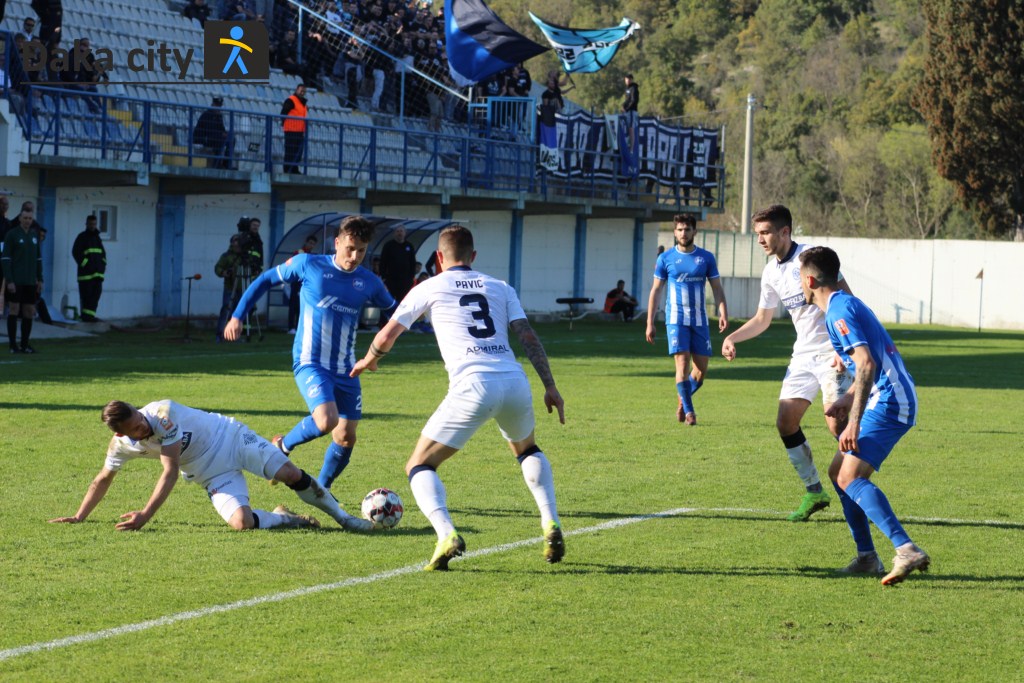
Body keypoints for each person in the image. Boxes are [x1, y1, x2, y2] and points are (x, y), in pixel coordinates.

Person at [351, 225, 566, 571]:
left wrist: (370, 359)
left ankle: (446, 534)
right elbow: (527, 335)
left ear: (438, 257)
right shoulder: (500, 286)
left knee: (419, 465)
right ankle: (550, 522)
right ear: (473, 257)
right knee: (527, 450)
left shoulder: (429, 286)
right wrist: (550, 386)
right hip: (514, 380)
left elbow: (389, 333)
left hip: (472, 383)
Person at [224, 216, 395, 496]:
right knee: (327, 421)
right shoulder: (309, 264)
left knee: (346, 436)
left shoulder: (369, 282)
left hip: (346, 368)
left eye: (361, 251)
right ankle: (282, 446)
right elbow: (265, 279)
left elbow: (395, 313)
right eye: (350, 248)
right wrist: (237, 315)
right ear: (337, 242)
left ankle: (322, 490)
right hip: (310, 362)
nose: (354, 257)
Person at [798, 246, 929, 585]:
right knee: (837, 471)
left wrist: (853, 423)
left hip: (891, 400)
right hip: (888, 395)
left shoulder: (838, 310)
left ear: (810, 279)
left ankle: (906, 549)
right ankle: (867, 557)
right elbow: (866, 365)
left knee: (849, 477)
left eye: (800, 278)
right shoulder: (843, 304)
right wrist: (846, 398)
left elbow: (868, 364)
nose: (800, 284)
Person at [49, 400, 374, 532]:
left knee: (287, 473)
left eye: (139, 417)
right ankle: (287, 518)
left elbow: (170, 470)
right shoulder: (119, 444)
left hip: (231, 439)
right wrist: (80, 516)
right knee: (241, 523)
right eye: (135, 428)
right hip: (209, 473)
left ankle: (344, 518)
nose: (143, 426)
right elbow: (103, 478)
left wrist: (145, 516)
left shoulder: (161, 415)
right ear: (122, 434)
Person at [721, 204, 853, 522]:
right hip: (803, 356)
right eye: (757, 234)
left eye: (765, 233)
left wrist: (844, 346)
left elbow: (846, 299)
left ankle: (855, 480)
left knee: (835, 423)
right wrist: (733, 338)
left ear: (784, 231)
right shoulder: (771, 273)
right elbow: (763, 319)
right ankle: (814, 491)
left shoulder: (810, 258)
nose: (761, 240)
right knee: (785, 421)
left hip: (833, 353)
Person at [645, 214, 728, 425]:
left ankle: (683, 399)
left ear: (694, 232)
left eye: (687, 229)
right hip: (676, 319)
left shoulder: (706, 258)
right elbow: (656, 291)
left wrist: (723, 312)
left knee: (700, 371)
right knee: (681, 365)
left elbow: (717, 288)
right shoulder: (665, 259)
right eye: (680, 229)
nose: (683, 233)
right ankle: (690, 413)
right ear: (675, 232)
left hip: (700, 320)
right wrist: (650, 322)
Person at [2, 209, 43, 353]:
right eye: (25, 218)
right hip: (16, 281)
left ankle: (25, 344)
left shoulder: (33, 235)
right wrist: (9, 280)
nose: (27, 220)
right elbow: (5, 259)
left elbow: (38, 259)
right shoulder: (12, 234)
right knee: (14, 309)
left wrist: (40, 279)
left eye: (30, 218)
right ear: (19, 218)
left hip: (30, 281)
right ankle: (13, 345)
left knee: (29, 311)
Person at [71, 213, 106, 322]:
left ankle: (90, 316)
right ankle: (86, 317)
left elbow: (102, 254)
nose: (92, 226)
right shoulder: (82, 237)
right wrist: (86, 264)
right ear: (86, 224)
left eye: (94, 224)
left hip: (97, 274)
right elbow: (76, 252)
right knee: (86, 296)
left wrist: (102, 265)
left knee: (96, 295)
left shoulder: (97, 238)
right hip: (85, 275)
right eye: (90, 224)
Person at [214, 233, 245, 342]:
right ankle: (220, 334)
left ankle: (235, 336)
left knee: (239, 313)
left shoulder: (245, 257)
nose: (237, 243)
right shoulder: (226, 256)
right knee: (226, 310)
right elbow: (217, 268)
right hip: (230, 287)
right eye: (236, 240)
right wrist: (224, 273)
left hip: (242, 287)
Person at [288, 234, 319, 333]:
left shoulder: (312, 255)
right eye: (310, 243)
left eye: (313, 244)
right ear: (306, 242)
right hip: (296, 282)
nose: (311, 245)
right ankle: (291, 327)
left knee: (301, 305)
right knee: (293, 305)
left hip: (305, 283)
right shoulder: (299, 252)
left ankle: (298, 327)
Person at [378, 225, 416, 305]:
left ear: (405, 233)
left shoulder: (409, 246)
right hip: (391, 280)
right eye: (397, 231)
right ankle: (386, 318)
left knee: (403, 303)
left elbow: (413, 262)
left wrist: (411, 277)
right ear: (394, 233)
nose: (399, 233)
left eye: (401, 231)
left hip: (405, 281)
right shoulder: (388, 245)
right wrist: (383, 276)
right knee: (388, 301)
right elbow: (383, 262)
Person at [193, 96, 229, 170]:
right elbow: (209, 130)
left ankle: (226, 164)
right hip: (203, 138)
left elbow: (221, 128)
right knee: (220, 139)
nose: (219, 108)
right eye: (217, 105)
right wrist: (221, 134)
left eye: (220, 106)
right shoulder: (207, 115)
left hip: (215, 137)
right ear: (213, 105)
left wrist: (225, 133)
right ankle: (216, 164)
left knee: (231, 139)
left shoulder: (219, 116)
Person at [281, 83, 308, 174]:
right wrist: (283, 124)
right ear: (297, 90)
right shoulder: (291, 100)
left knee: (297, 152)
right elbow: (283, 113)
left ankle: (294, 169)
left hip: (299, 131)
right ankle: (287, 169)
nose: (302, 92)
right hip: (291, 130)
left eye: (304, 91)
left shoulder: (302, 103)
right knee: (290, 151)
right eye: (301, 90)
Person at [622, 73, 639, 149]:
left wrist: (627, 108)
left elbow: (634, 100)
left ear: (631, 80)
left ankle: (631, 148)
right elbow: (627, 99)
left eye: (629, 79)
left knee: (631, 128)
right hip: (627, 111)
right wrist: (623, 105)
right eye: (626, 79)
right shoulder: (627, 89)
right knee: (627, 127)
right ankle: (627, 144)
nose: (627, 80)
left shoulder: (634, 88)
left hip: (632, 111)